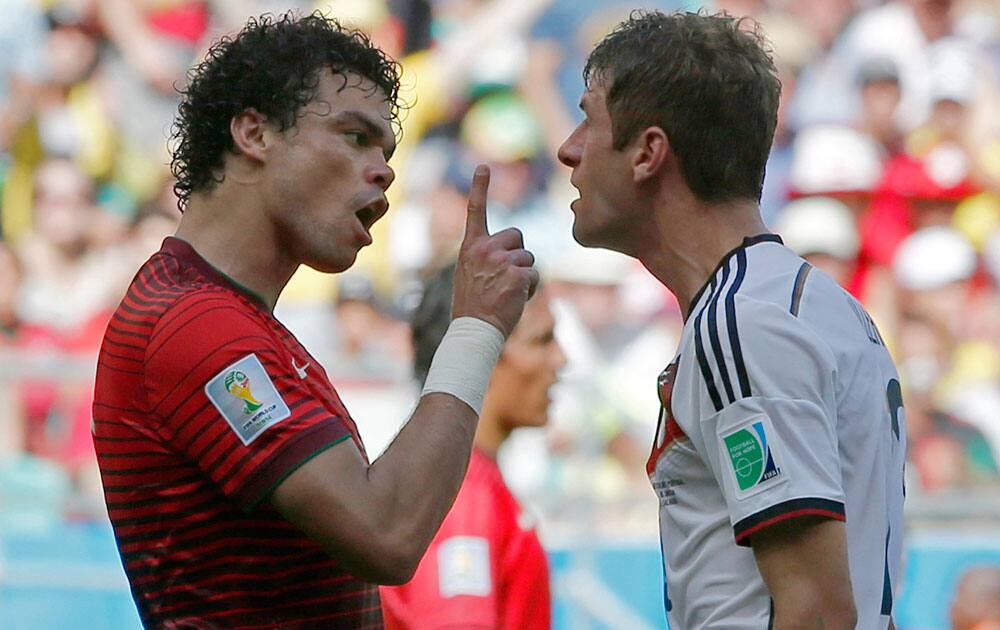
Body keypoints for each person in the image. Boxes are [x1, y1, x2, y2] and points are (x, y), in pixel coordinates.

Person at [91, 12, 538, 628]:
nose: (383, 170)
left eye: (387, 151)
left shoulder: (229, 318)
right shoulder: (194, 325)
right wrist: (476, 328)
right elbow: (386, 533)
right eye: (355, 137)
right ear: (254, 133)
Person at [557, 10, 906, 629]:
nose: (568, 149)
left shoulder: (739, 325)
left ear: (648, 153)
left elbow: (819, 613)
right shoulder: (817, 304)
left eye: (589, 118)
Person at [380, 262, 563, 629]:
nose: (561, 360)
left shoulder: (464, 484)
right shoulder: (460, 497)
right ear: (482, 355)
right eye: (542, 341)